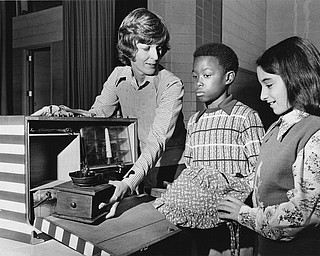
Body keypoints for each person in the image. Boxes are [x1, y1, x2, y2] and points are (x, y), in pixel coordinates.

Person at [32, 8, 186, 212]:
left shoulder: (171, 85)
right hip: (139, 167)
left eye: (159, 48)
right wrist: (59, 111)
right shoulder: (117, 76)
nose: (155, 56)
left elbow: (157, 140)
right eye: (147, 48)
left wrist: (129, 182)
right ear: (129, 46)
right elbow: (96, 115)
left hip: (170, 168)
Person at [153, 42, 265, 256]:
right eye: (195, 77)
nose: (199, 83)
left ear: (229, 77)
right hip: (201, 219)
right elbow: (191, 165)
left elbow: (259, 171)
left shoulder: (245, 117)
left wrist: (241, 205)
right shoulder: (195, 120)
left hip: (234, 221)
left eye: (207, 75)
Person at [218, 36, 320, 256]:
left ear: (296, 78)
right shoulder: (275, 127)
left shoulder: (314, 132)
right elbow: (263, 179)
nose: (263, 96)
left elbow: (304, 214)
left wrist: (244, 214)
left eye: (269, 84)